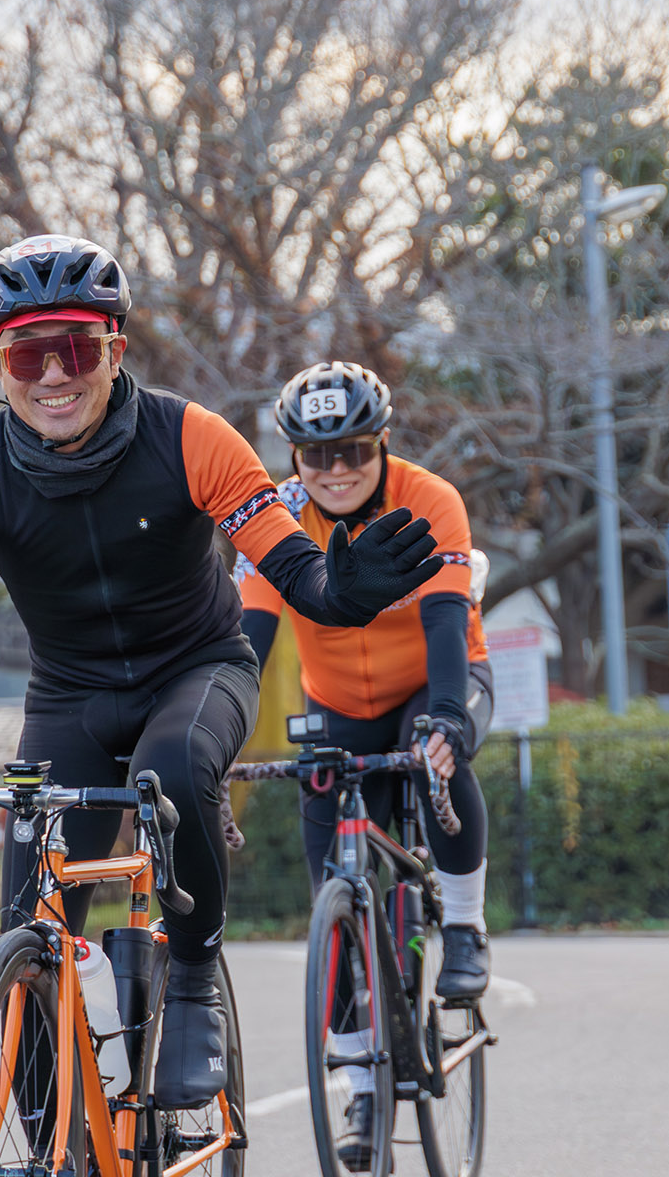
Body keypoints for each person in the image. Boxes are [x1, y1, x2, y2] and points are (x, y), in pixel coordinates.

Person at [0, 234, 445, 1109]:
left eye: (77, 348)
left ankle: (194, 977)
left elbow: (296, 572)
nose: (55, 375)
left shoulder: (193, 436)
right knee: (31, 930)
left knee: (173, 769)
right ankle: (52, 1122)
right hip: (69, 699)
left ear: (115, 350)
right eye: (29, 354)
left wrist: (342, 594)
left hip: (199, 670)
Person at [234, 361, 495, 1169]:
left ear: (381, 444)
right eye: (317, 456)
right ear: (294, 458)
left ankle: (463, 925)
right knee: (334, 897)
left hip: (436, 680)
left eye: (352, 451)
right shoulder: (277, 515)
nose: (336, 470)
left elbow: (446, 621)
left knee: (438, 756)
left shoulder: (430, 498)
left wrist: (447, 718)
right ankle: (358, 1089)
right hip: (339, 703)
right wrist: (215, 735)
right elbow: (249, 639)